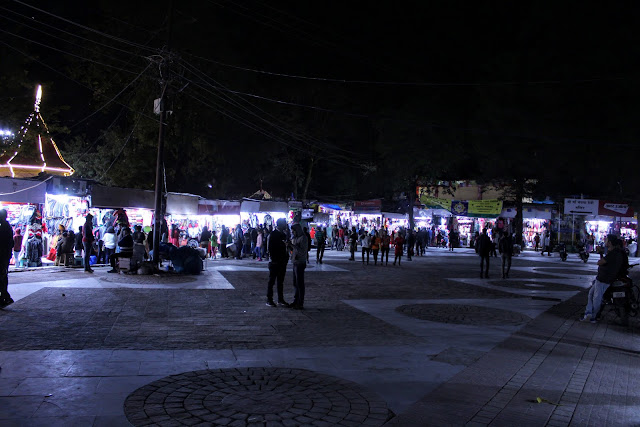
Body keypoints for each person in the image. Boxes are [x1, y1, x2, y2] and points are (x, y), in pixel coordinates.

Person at [581, 234, 626, 323]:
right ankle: (588, 313)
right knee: (591, 294)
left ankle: (593, 317)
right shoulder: (613, 252)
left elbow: (601, 262)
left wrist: (601, 259)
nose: (605, 241)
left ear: (609, 242)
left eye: (606, 240)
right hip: (602, 278)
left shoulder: (614, 253)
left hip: (604, 279)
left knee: (597, 298)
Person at [266, 218, 290, 307]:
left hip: (282, 261)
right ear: (280, 225)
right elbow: (270, 248)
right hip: (275, 262)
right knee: (271, 281)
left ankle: (280, 299)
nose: (285, 225)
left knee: (280, 281)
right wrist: (273, 259)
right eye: (284, 224)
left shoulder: (283, 234)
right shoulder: (273, 234)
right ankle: (269, 299)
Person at [289, 223, 308, 309]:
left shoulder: (303, 238)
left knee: (299, 283)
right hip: (295, 261)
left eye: (294, 231)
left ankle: (300, 302)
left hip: (300, 262)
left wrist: (293, 246)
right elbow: (294, 250)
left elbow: (302, 251)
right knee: (295, 283)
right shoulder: (295, 238)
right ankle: (296, 300)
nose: (293, 233)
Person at [0, 209, 14, 307]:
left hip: (3, 255)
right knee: (3, 276)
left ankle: (4, 297)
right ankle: (5, 296)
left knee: (2, 276)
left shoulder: (4, 226)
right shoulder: (6, 226)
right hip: (4, 255)